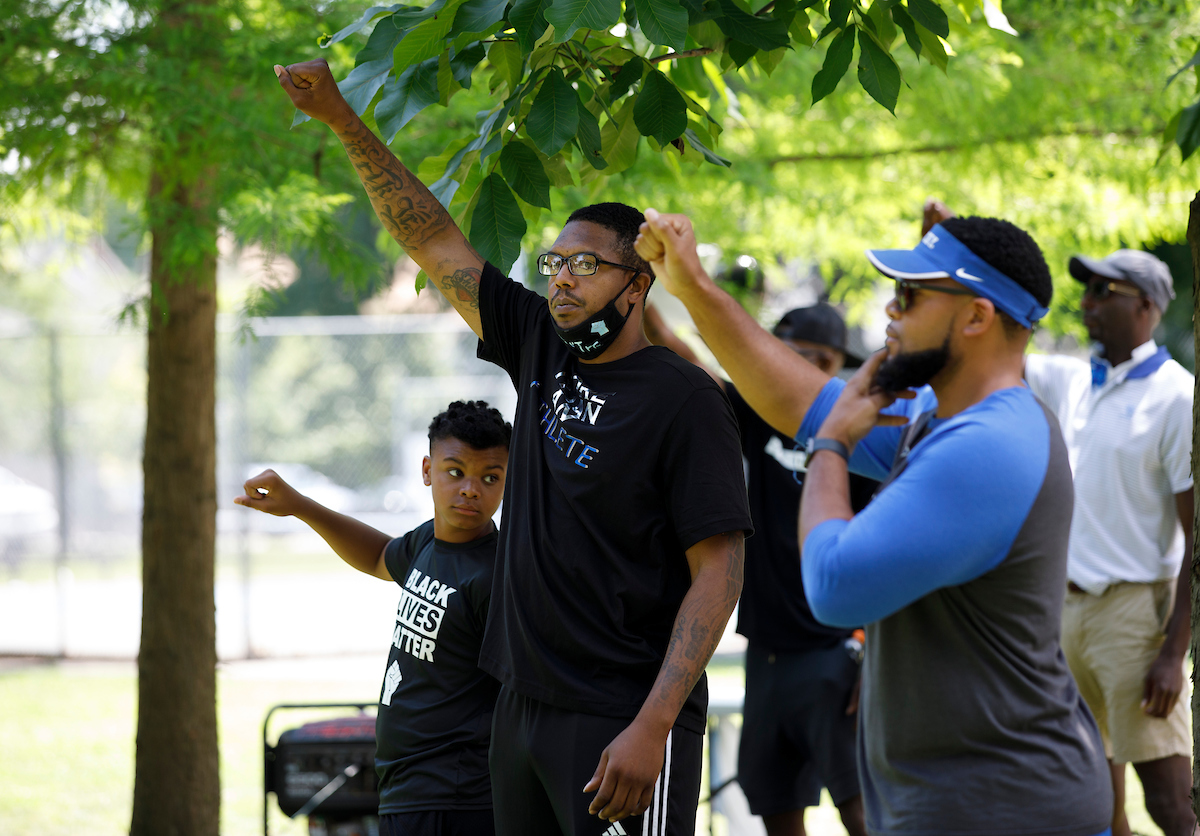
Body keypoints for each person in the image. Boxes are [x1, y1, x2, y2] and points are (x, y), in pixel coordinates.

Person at [273, 59, 753, 836]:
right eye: (554, 264)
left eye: (586, 265)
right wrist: (341, 118)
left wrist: (654, 725)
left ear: (638, 285)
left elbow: (719, 575)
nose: (562, 280)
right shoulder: (539, 343)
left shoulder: (685, 399)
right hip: (521, 709)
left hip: (621, 718)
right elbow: (431, 240)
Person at [635, 208, 1113, 835]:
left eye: (911, 295)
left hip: (1007, 809)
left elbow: (835, 585)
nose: (891, 309)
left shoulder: (989, 444)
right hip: (963, 806)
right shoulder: (941, 416)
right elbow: (793, 397)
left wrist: (831, 447)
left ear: (976, 316)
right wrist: (691, 284)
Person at [234, 400, 512, 836]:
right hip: (405, 787)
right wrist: (301, 506)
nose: (471, 489)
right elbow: (381, 556)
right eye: (455, 472)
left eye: (490, 477)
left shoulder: (494, 575)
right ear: (427, 470)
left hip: (454, 798)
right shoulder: (428, 541)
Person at [644, 302, 871, 836]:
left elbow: (885, 544)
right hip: (768, 654)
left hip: (836, 651)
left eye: (815, 356)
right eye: (789, 353)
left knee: (862, 811)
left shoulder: (862, 434)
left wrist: (870, 643)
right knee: (774, 806)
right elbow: (688, 360)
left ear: (837, 360)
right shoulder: (757, 412)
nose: (800, 365)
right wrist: (647, 290)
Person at [1025, 249, 1194, 836]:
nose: (1087, 304)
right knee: (1094, 802)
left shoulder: (1177, 396)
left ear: (1146, 306)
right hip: (1064, 616)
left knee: (1171, 802)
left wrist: (1174, 653)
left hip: (1134, 620)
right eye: (1087, 290)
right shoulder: (1074, 379)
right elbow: (999, 349)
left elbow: (1196, 538)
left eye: (1103, 291)